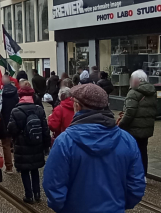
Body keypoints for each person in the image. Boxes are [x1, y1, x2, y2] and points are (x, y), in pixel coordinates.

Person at [43, 84, 146, 212]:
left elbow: (53, 185)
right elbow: (136, 185)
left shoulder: (64, 142)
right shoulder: (127, 140)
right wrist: (119, 205)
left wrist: (62, 207)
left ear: (77, 106)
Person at [8, 83, 50, 204]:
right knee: (35, 169)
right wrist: (46, 145)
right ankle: (37, 194)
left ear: (19, 96)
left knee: (25, 171)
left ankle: (28, 195)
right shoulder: (39, 109)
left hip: (22, 145)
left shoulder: (15, 111)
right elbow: (45, 130)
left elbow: (12, 130)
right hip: (37, 144)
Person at [119, 70, 157, 175]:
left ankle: (133, 174)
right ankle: (143, 174)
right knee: (143, 151)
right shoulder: (152, 92)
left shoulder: (133, 92)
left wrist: (120, 125)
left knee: (132, 152)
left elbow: (130, 112)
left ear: (136, 80)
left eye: (131, 79)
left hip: (133, 128)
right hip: (146, 128)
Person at [0, 75, 19, 174]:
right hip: (15, 120)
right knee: (17, 143)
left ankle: (9, 167)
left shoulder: (0, 93)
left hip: (4, 121)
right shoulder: (16, 92)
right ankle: (18, 164)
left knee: (6, 145)